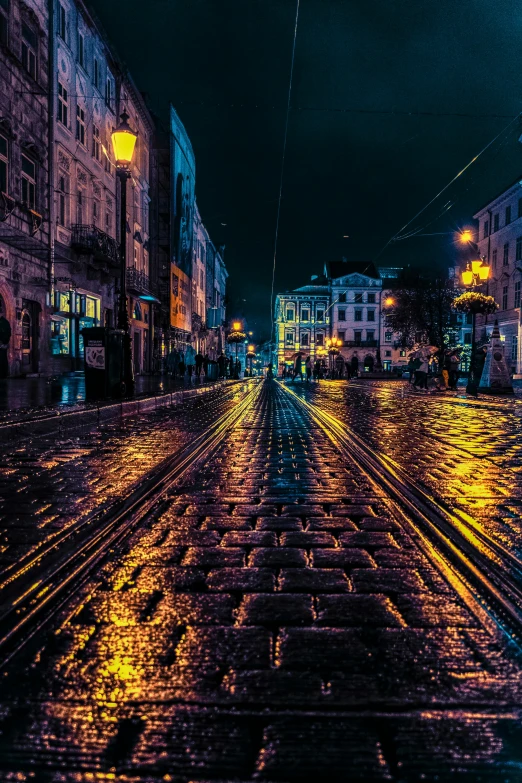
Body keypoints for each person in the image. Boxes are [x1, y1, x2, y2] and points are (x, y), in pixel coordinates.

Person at [0, 314, 10, 379]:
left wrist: (2, 342)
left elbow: (8, 334)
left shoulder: (5, 322)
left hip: (2, 345)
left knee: (2, 360)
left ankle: (3, 376)